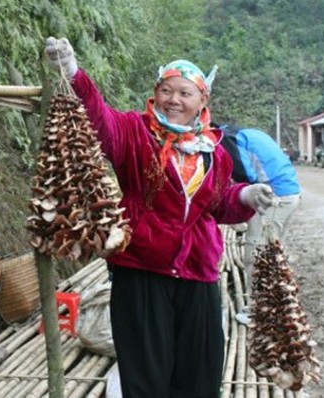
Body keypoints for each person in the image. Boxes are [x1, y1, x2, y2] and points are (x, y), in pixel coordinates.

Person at [44, 37, 274, 398]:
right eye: (166, 90)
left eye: (185, 93)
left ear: (202, 101)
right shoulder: (135, 133)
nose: (174, 100)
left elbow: (218, 203)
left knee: (199, 373)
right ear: (155, 93)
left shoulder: (214, 151)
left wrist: (244, 195)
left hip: (198, 274)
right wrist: (73, 72)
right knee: (145, 374)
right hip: (141, 271)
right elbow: (99, 119)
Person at [215, 124, 302, 324]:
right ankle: (273, 304)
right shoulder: (244, 134)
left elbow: (247, 178)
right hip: (286, 193)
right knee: (270, 251)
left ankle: (260, 312)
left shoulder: (225, 139)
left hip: (274, 196)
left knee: (256, 254)